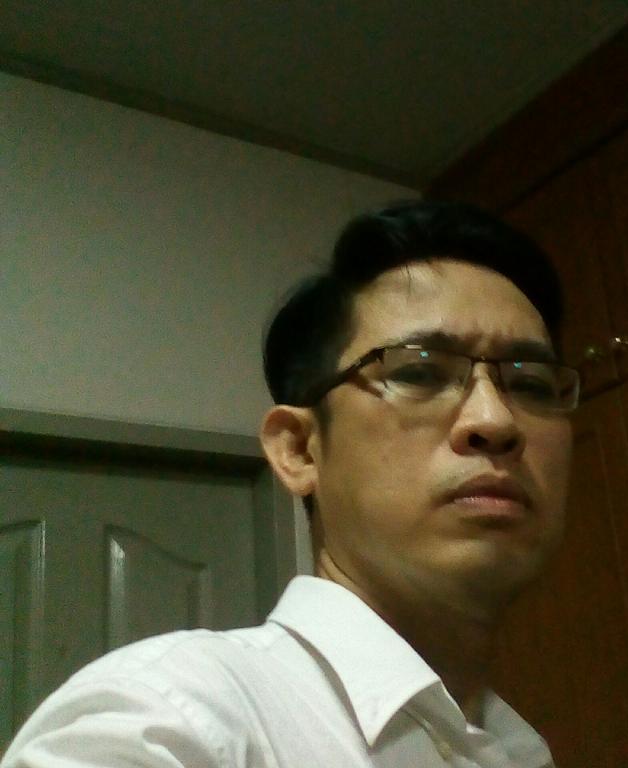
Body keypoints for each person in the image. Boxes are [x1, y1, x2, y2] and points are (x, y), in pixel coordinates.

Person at [2, 200, 577, 767]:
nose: (495, 421)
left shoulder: (521, 750)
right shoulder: (170, 719)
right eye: (419, 371)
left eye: (531, 384)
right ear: (300, 450)